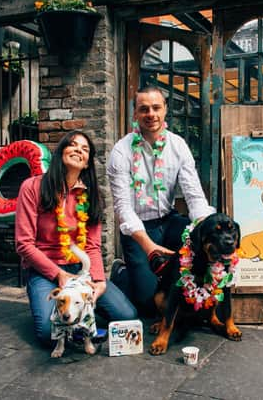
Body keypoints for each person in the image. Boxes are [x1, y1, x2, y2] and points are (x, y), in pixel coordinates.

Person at [16, 130, 137, 347]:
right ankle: (57, 307)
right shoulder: (32, 187)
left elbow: (92, 245)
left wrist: (99, 281)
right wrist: (59, 274)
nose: (78, 150)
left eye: (85, 149)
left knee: (127, 317)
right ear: (62, 151)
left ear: (88, 163)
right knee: (47, 334)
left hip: (82, 271)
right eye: (72, 145)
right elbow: (24, 244)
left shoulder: (90, 195)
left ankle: (80, 308)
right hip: (45, 272)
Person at [107, 86, 215, 315]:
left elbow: (194, 196)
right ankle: (122, 272)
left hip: (168, 220)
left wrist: (210, 229)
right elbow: (123, 208)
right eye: (144, 109)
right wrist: (150, 248)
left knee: (196, 236)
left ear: (165, 110)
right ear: (135, 114)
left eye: (156, 107)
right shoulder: (121, 151)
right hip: (137, 229)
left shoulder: (178, 146)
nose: (151, 114)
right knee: (147, 304)